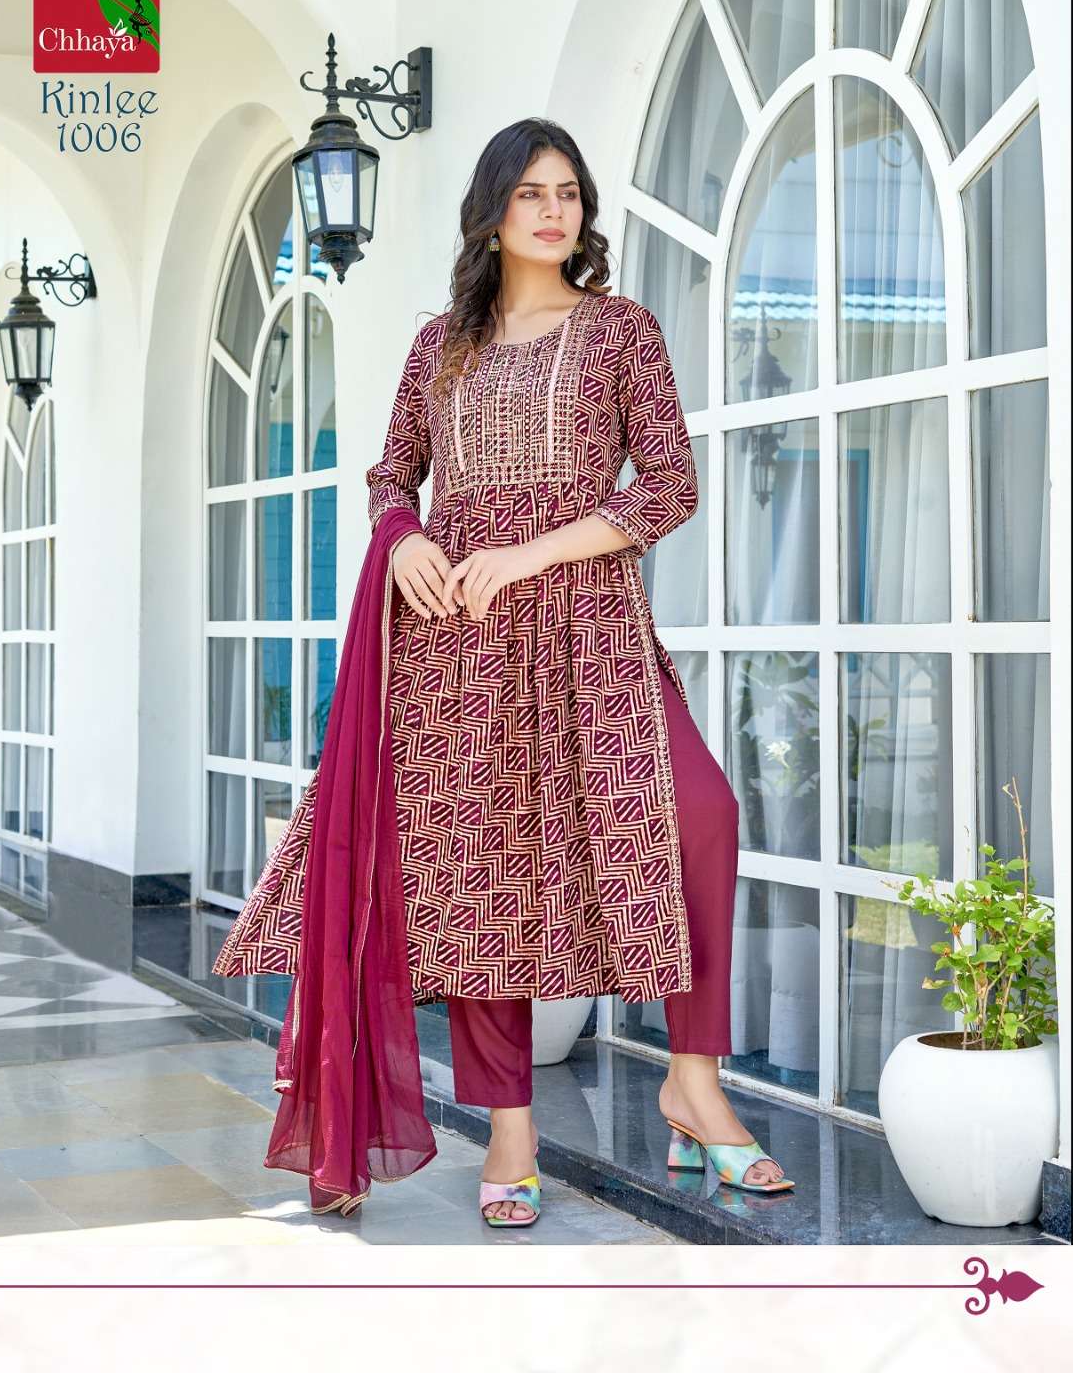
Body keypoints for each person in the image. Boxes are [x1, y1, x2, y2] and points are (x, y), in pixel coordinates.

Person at [215, 117, 793, 1226]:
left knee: (700, 814)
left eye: (567, 192)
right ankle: (510, 1136)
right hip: (458, 647)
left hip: (590, 629)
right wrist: (405, 539)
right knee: (487, 882)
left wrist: (530, 552)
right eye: (530, 192)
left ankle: (694, 1082)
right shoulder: (441, 347)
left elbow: (669, 486)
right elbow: (391, 474)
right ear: (492, 212)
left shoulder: (620, 331)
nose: (552, 210)